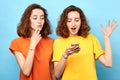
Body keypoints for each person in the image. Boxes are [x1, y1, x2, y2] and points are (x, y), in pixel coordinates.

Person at [52, 5, 117, 80]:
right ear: (64, 23)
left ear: (81, 21)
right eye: (69, 21)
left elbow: (108, 63)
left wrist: (107, 38)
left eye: (76, 20)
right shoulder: (58, 42)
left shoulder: (91, 38)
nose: (73, 24)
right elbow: (57, 74)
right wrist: (65, 55)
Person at [9, 3, 56, 80]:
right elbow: (26, 72)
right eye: (35, 18)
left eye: (42, 18)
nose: (39, 21)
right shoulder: (16, 43)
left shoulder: (50, 42)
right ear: (27, 20)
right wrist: (32, 45)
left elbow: (51, 71)